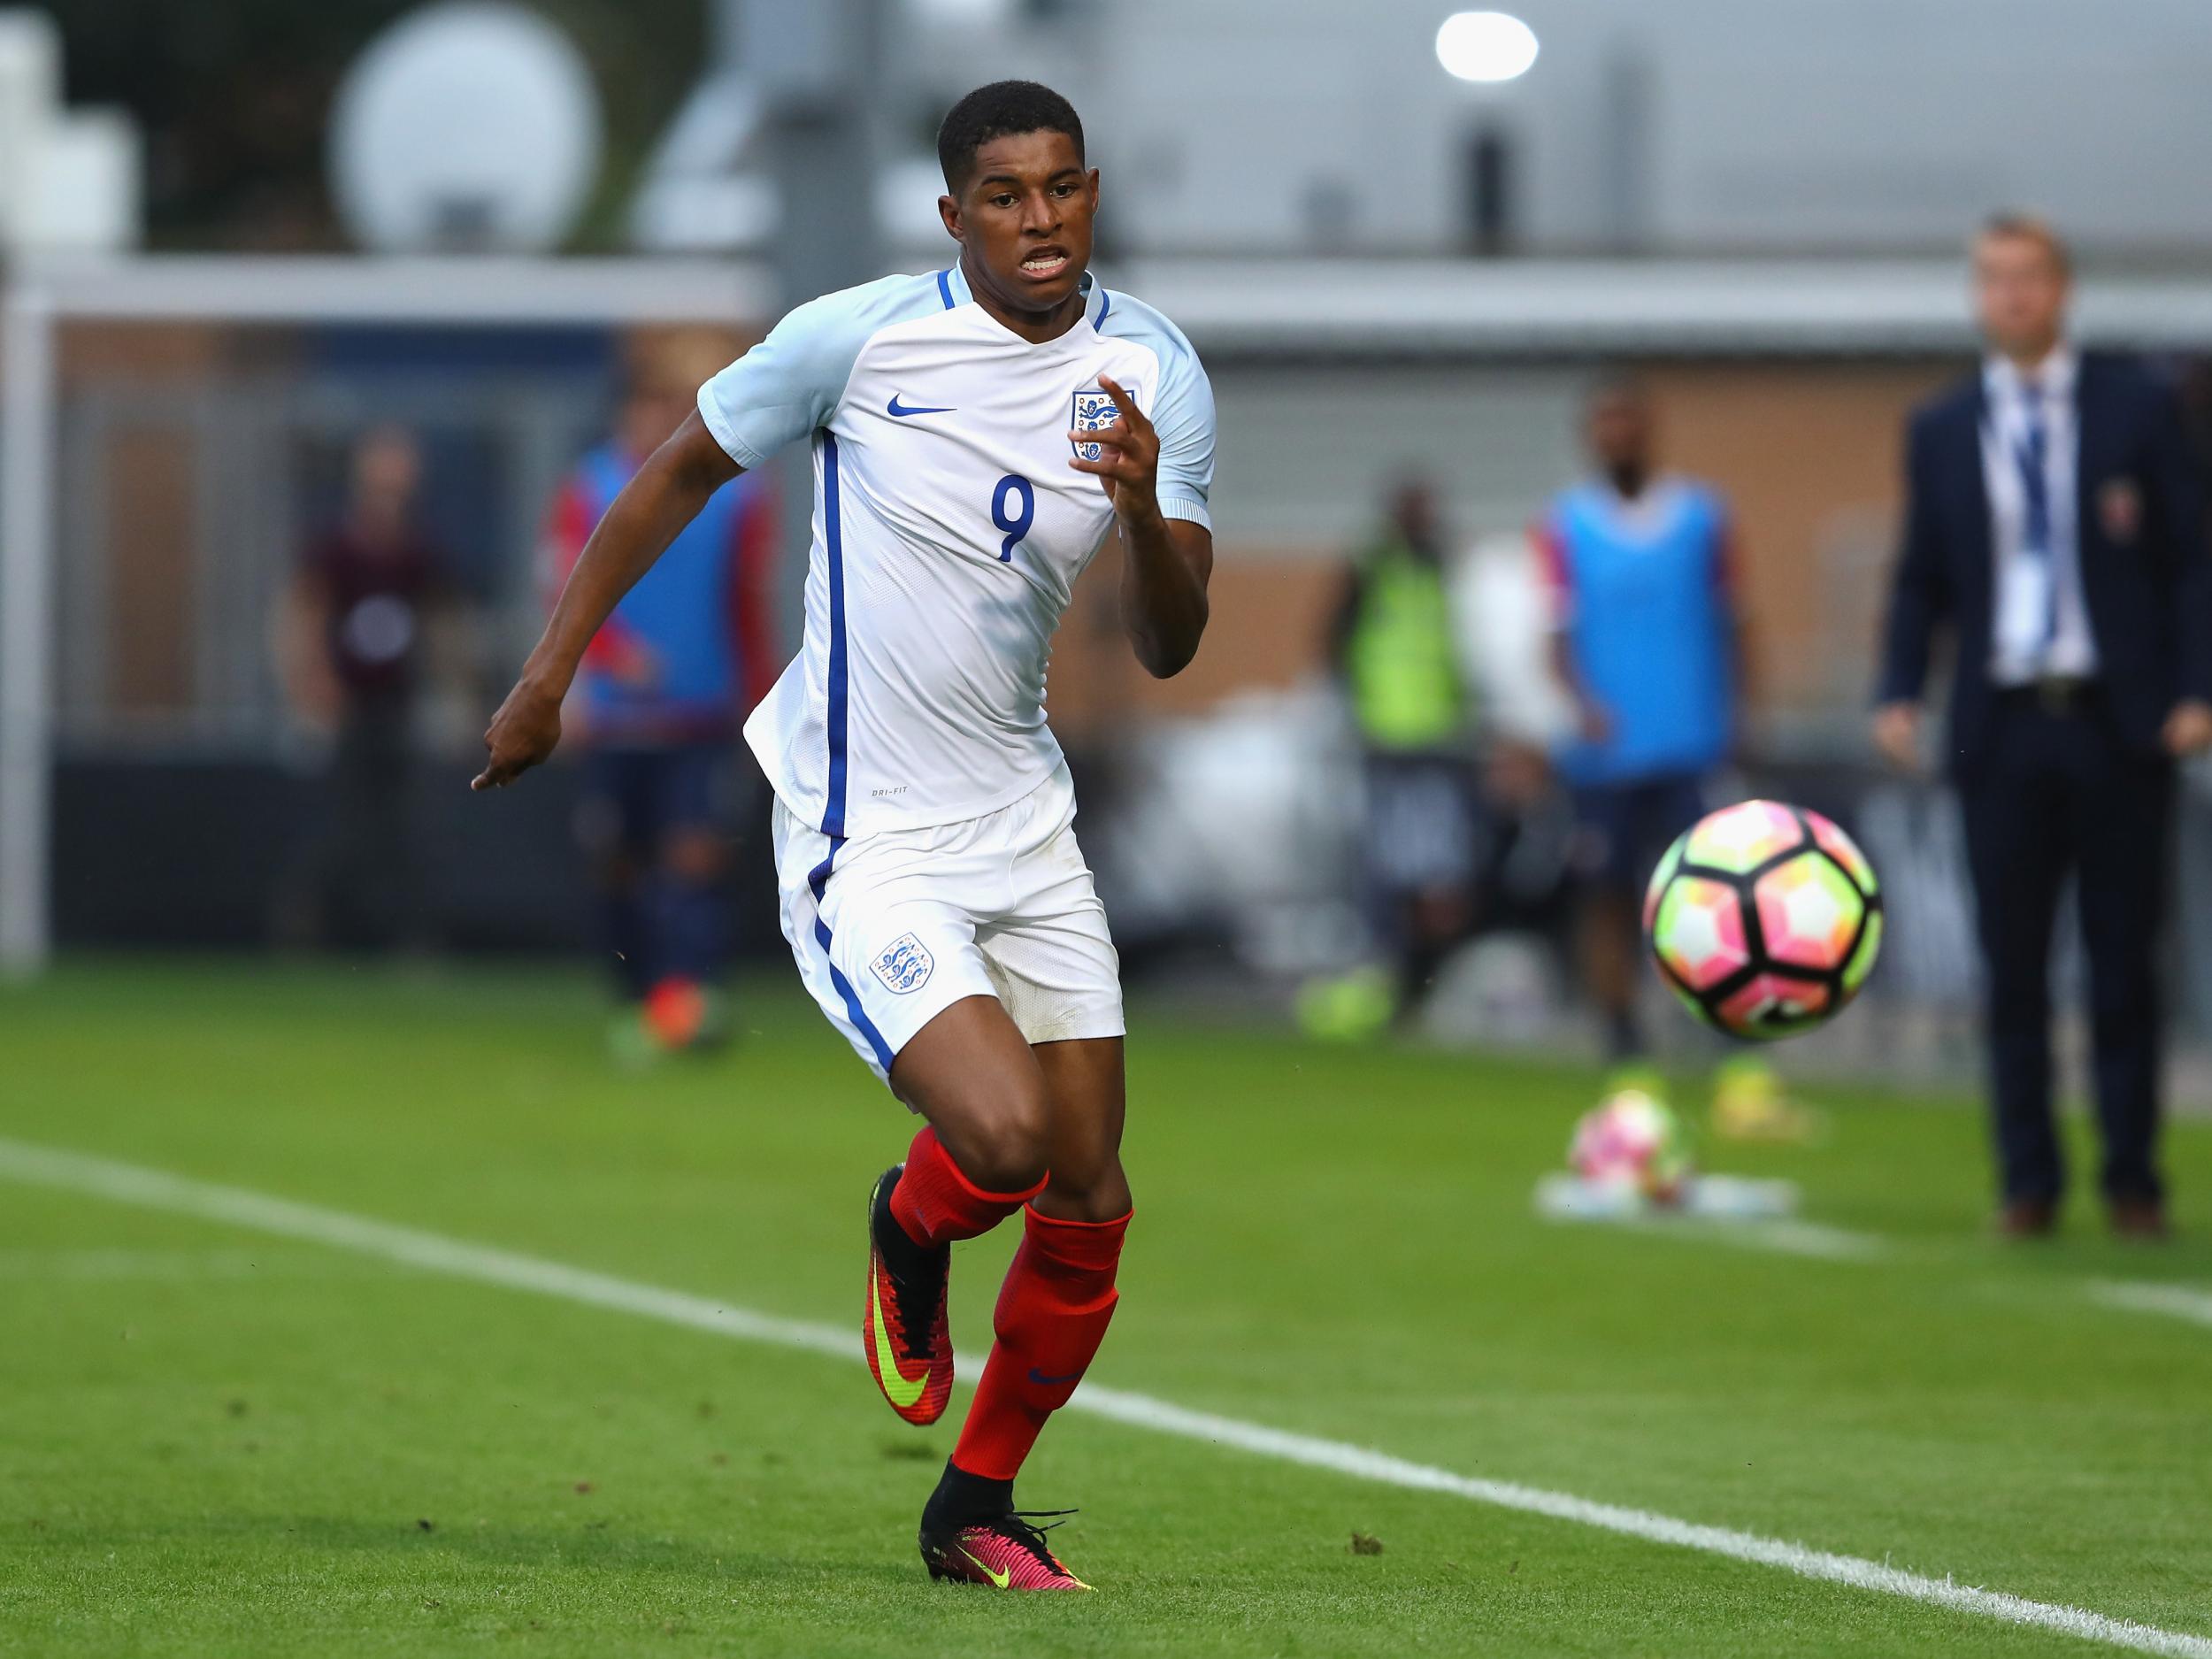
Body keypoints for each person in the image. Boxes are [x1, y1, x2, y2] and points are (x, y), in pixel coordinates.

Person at [473, 81, 1215, 1589]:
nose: (1041, 220)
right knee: (999, 1141)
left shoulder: (1153, 370)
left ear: (1092, 195)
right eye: (1004, 196)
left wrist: (1141, 507)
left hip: (1024, 818)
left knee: (1092, 1187)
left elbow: (1171, 643)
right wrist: (548, 678)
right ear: (954, 218)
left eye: (1064, 188)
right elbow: (676, 467)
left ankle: (974, 1509)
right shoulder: (859, 338)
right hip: (866, 828)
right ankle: (907, 1221)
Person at [1874, 214, 2212, 1240]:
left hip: (2115, 721)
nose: (2011, 296)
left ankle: (2132, 1179)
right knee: (2009, 963)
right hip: (2001, 722)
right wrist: (1898, 687)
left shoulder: (2136, 410)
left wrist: (2193, 689)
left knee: (2123, 958)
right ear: (1977, 296)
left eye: (2028, 277)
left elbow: (2192, 560)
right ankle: (2026, 1179)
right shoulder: (1939, 427)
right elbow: (1920, 575)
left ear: (2060, 289)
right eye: (1992, 279)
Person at [543, 341, 779, 1056]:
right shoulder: (588, 489)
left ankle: (689, 998)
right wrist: (607, 660)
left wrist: (761, 696)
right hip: (616, 717)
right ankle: (636, 997)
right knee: (620, 862)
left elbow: (746, 604)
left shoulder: (735, 498)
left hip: (698, 713)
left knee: (694, 857)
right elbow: (562, 590)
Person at [1537, 379, 1746, 1073]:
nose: (1616, 436)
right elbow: (1555, 633)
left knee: (1708, 889)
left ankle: (1721, 1012)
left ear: (1648, 428)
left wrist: (1743, 713)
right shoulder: (1565, 525)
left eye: (1627, 422)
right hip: (1606, 751)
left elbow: (1733, 622)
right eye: (1604, 424)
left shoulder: (1701, 519)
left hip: (1690, 738)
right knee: (1607, 890)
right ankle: (1619, 1027)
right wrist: (1581, 701)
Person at [273, 425, 455, 949]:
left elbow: (441, 624)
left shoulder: (419, 551)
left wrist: (452, 691)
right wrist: (311, 678)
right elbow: (305, 612)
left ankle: (407, 934)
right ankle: (309, 926)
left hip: (396, 701)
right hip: (345, 703)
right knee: (343, 819)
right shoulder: (335, 548)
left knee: (403, 821)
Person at [1324, 479, 1480, 1022]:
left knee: (1440, 869)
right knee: (1389, 866)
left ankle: (1426, 979)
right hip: (1386, 738)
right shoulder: (1372, 569)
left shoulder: (1440, 568)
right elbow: (1336, 646)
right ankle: (1388, 978)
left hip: (1439, 739)